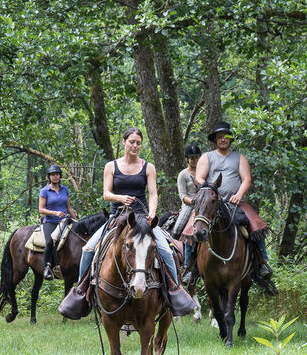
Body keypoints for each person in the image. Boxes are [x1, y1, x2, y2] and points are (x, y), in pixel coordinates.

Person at [73, 127, 194, 316]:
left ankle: (175, 291)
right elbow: (106, 194)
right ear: (123, 142)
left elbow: (153, 195)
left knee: (166, 251)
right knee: (88, 249)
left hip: (141, 219)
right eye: (132, 142)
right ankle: (82, 293)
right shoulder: (111, 166)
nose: (135, 146)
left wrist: (152, 213)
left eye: (138, 143)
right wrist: (120, 198)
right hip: (117, 217)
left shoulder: (148, 167)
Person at [193, 120, 272, 282]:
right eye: (220, 136)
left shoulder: (239, 158)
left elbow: (246, 179)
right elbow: (199, 178)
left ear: (230, 139)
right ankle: (190, 267)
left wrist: (239, 194)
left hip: (234, 203)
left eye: (226, 136)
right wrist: (212, 193)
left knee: (256, 226)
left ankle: (261, 263)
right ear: (215, 139)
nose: (223, 139)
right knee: (189, 228)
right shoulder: (206, 157)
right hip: (210, 203)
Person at [38, 164, 77, 280]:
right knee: (50, 242)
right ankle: (47, 267)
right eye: (53, 175)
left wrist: (77, 221)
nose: (55, 177)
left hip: (65, 221)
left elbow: (68, 208)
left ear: (60, 176)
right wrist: (55, 213)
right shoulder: (44, 191)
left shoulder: (65, 189)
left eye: (57, 174)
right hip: (51, 222)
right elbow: (41, 209)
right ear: (49, 177)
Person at [173, 143, 201, 277]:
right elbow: (182, 195)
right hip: (189, 204)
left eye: (197, 157)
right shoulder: (183, 175)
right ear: (187, 159)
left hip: (204, 204)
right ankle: (186, 266)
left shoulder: (204, 171)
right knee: (181, 228)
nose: (195, 160)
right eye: (192, 158)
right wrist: (193, 201)